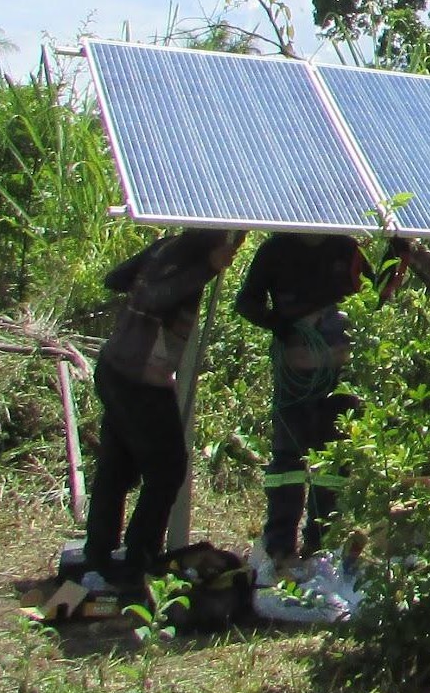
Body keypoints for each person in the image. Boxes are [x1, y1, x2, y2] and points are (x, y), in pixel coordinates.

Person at [85, 227, 245, 589]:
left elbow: (116, 279)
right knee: (167, 469)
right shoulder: (190, 261)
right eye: (235, 240)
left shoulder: (165, 247)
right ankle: (140, 557)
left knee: (117, 467)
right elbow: (155, 299)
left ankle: (100, 555)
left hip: (115, 368)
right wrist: (206, 268)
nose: (238, 247)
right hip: (139, 379)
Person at [235, 231, 371, 577]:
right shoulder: (275, 249)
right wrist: (283, 327)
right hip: (294, 374)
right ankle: (281, 547)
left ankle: (319, 545)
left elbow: (375, 293)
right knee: (288, 459)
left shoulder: (345, 247)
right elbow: (247, 302)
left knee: (334, 458)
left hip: (339, 373)